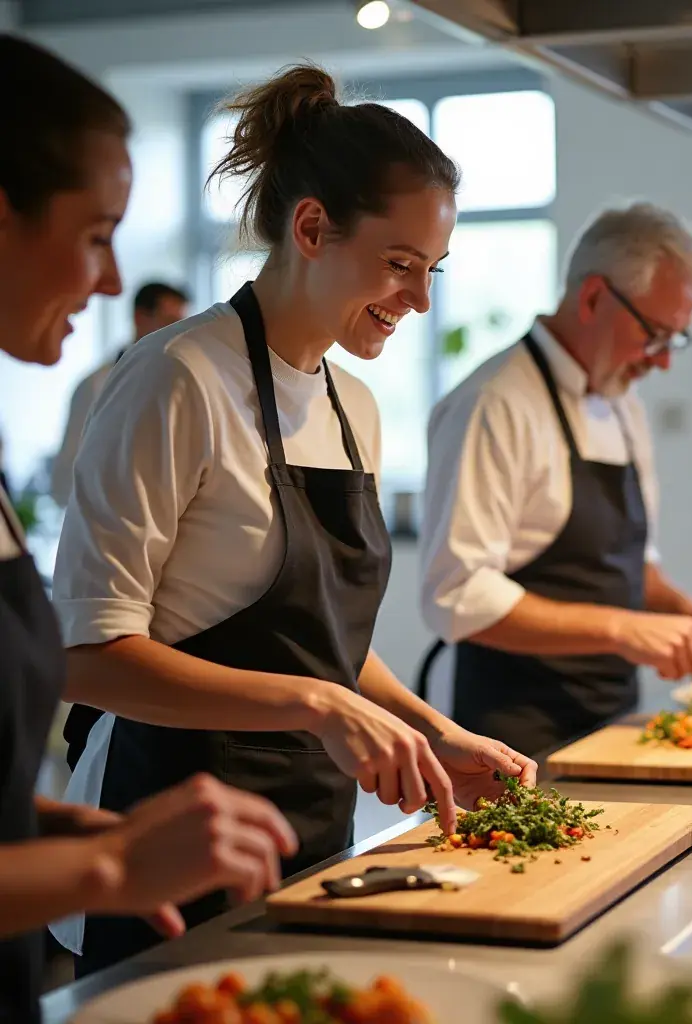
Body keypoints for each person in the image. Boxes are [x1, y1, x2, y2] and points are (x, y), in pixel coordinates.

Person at [52, 63, 537, 977]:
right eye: (400, 265)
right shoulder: (176, 380)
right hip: (166, 835)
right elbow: (87, 653)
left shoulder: (356, 406)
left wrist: (431, 732)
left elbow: (321, 643)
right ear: (311, 228)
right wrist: (318, 704)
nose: (420, 300)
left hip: (310, 829)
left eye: (432, 271)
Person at [0, 34, 297, 1023]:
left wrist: (71, 832)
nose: (110, 279)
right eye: (96, 235)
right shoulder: (172, 377)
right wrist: (108, 865)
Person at [416, 202, 692, 758]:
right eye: (655, 335)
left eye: (675, 340)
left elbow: (630, 567)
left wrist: (687, 612)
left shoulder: (623, 404)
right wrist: (622, 629)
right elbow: (458, 594)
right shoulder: (495, 404)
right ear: (594, 297)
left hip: (612, 723)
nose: (663, 362)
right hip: (515, 739)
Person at [50, 280, 189, 506]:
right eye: (170, 322)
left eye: (184, 324)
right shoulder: (95, 386)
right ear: (139, 318)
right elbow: (64, 480)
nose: (179, 333)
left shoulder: (184, 384)